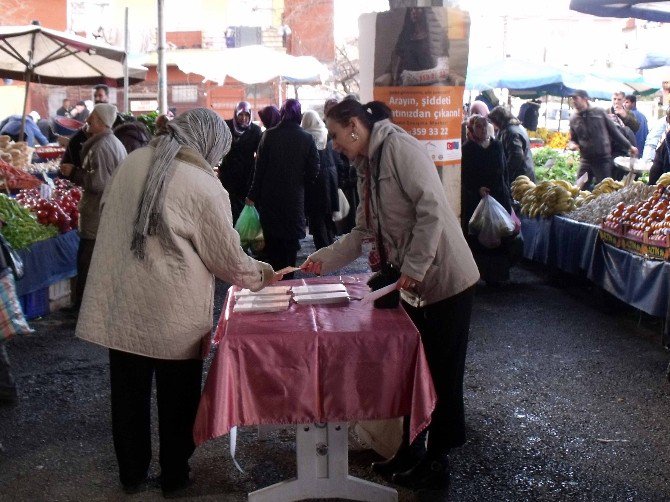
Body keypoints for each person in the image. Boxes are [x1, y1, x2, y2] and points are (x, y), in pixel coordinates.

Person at [75, 108, 281, 496]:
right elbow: (228, 260)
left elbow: (107, 218)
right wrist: (263, 275)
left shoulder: (133, 161)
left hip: (123, 304)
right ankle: (174, 475)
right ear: (207, 143)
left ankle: (131, 475)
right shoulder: (203, 185)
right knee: (177, 399)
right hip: (173, 312)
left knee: (128, 397)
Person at [301, 100, 479, 494]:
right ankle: (412, 450)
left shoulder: (399, 148)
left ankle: (437, 465)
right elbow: (363, 231)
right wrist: (322, 259)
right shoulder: (368, 164)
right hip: (417, 283)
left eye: (334, 134)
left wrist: (414, 268)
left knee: (443, 378)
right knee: (417, 372)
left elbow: (432, 210)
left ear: (353, 126)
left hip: (446, 279)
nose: (332, 145)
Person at [248, 99, 319, 279]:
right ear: (299, 115)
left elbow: (260, 170)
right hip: (293, 200)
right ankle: (288, 286)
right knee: (289, 248)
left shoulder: (269, 136)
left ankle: (273, 285)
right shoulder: (306, 137)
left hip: (270, 200)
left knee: (272, 248)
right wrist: (301, 183)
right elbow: (314, 169)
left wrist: (252, 195)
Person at [69, 104, 127, 312]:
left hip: (98, 212)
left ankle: (83, 307)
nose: (88, 120)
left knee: (88, 260)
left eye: (93, 117)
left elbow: (97, 183)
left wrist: (73, 173)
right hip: (104, 211)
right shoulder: (110, 143)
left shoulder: (102, 147)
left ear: (102, 122)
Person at [461, 114, 515, 284]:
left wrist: (508, 196)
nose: (482, 129)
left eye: (485, 126)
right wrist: (477, 189)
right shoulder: (468, 149)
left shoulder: (497, 146)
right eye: (478, 126)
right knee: (480, 238)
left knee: (501, 234)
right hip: (477, 201)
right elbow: (464, 176)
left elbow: (504, 172)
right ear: (472, 129)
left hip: (499, 197)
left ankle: (499, 276)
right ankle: (480, 273)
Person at [568, 90, 637, 186]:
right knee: (579, 187)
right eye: (572, 98)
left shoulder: (599, 112)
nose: (573, 101)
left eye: (576, 98)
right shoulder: (573, 118)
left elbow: (614, 132)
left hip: (602, 160)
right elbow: (573, 139)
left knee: (603, 189)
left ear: (585, 99)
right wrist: (572, 144)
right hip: (586, 160)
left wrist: (629, 146)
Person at [218, 101, 262, 225]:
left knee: (243, 205)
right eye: (240, 115)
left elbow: (259, 152)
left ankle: (241, 234)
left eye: (246, 115)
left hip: (246, 175)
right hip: (228, 173)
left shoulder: (255, 130)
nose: (243, 118)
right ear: (235, 115)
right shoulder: (226, 126)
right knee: (228, 205)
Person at [60, 84, 113, 185]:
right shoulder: (79, 137)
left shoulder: (104, 144)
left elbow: (99, 182)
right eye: (95, 96)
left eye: (100, 95)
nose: (97, 98)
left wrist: (74, 173)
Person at [301, 110, 339, 250]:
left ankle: (323, 249)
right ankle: (330, 244)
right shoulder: (326, 132)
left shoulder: (307, 137)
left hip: (316, 181)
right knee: (327, 216)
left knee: (317, 218)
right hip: (330, 178)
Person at [488, 106, 535, 183]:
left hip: (520, 177)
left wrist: (505, 173)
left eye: (493, 121)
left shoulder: (510, 132)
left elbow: (517, 156)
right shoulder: (517, 127)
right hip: (525, 173)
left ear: (499, 120)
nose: (493, 125)